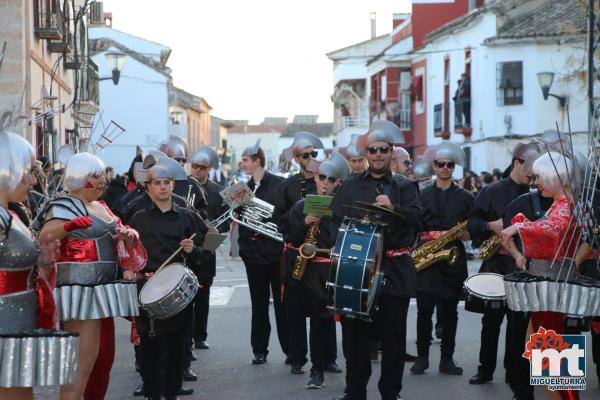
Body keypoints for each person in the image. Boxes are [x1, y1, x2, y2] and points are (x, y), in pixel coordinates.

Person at [39, 152, 145, 400]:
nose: (102, 181)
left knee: (103, 362)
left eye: (101, 176)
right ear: (81, 177)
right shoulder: (63, 205)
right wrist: (68, 226)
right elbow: (45, 237)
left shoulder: (103, 205)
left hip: (104, 292)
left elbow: (118, 234)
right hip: (79, 295)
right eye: (95, 176)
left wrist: (128, 235)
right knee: (81, 367)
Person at [330, 120, 421, 400]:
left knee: (393, 339)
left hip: (394, 267)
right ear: (366, 154)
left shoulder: (405, 187)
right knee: (356, 338)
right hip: (359, 270)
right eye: (373, 150)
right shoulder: (351, 186)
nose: (378, 154)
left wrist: (394, 208)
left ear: (391, 152)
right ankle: (355, 391)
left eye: (384, 149)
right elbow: (336, 220)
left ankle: (390, 393)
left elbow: (418, 219)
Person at [0, 130, 78, 400]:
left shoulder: (11, 214)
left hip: (17, 330)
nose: (33, 180)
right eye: (28, 170)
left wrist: (44, 263)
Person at [501, 151, 582, 400]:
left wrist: (519, 225)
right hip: (549, 285)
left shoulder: (566, 204)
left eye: (539, 177)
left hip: (553, 287)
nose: (535, 183)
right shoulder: (564, 202)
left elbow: (554, 229)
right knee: (545, 355)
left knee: (553, 362)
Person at [128, 164, 207, 400]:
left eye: (167, 182)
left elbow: (210, 247)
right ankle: (152, 393)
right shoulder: (138, 218)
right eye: (157, 183)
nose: (163, 187)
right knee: (150, 349)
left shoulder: (188, 217)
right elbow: (128, 252)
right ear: (148, 187)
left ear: (173, 184)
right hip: (147, 290)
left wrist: (194, 250)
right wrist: (131, 271)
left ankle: (172, 394)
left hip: (178, 292)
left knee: (176, 348)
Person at [467, 142, 540, 387]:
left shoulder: (538, 193)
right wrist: (489, 226)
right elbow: (472, 222)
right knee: (491, 322)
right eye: (529, 170)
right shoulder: (491, 191)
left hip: (525, 267)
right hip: (496, 264)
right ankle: (485, 369)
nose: (533, 176)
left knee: (519, 325)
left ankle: (514, 372)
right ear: (517, 162)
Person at [283, 152, 350, 388]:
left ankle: (325, 368)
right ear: (316, 179)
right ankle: (312, 367)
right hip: (308, 272)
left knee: (331, 323)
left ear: (338, 183)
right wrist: (304, 224)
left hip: (331, 270)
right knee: (313, 321)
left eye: (331, 180)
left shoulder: (343, 208)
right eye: (322, 178)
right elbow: (288, 237)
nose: (326, 183)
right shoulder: (302, 205)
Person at [411, 142, 473, 376]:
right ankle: (422, 358)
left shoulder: (466, 196)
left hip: (453, 258)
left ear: (454, 167)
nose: (445, 168)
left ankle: (447, 359)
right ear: (434, 166)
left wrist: (471, 232)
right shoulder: (422, 193)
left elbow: (473, 224)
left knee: (450, 312)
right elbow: (414, 225)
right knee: (424, 310)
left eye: (449, 164)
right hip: (427, 255)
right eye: (440, 164)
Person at [237, 140, 290, 365]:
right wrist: (244, 249)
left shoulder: (279, 184)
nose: (242, 163)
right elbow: (238, 220)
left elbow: (285, 216)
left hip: (275, 252)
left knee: (282, 304)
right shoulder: (242, 188)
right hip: (253, 254)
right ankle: (259, 350)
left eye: (246, 160)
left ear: (257, 161)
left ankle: (291, 352)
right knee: (258, 305)